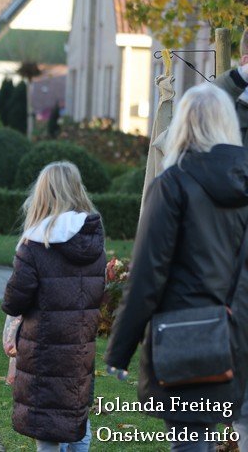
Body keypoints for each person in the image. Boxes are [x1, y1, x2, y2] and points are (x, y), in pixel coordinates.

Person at [105, 83, 248, 451]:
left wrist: (120, 349)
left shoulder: (172, 185)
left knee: (190, 441)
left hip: (187, 336)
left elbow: (147, 276)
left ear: (183, 124)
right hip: (240, 333)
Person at [1, 161, 104, 451]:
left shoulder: (35, 242)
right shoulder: (93, 240)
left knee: (46, 428)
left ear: (42, 194)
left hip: (43, 349)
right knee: (77, 417)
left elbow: (15, 300)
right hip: (80, 345)